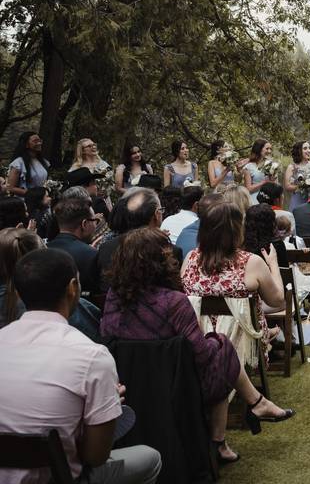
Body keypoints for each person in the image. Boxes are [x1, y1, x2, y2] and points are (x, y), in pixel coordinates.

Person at [101, 227, 293, 464]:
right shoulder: (173, 302)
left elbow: (108, 337)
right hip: (175, 386)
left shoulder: (114, 296)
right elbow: (201, 356)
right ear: (160, 263)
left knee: (220, 350)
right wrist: (215, 342)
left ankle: (254, 407)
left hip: (127, 382)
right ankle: (224, 437)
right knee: (222, 350)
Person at [0, 248, 162, 483]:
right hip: (61, 476)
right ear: (72, 288)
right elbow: (96, 456)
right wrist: (108, 407)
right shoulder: (92, 356)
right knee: (149, 458)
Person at [180, 201, 285, 353]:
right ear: (237, 230)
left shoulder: (190, 258)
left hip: (197, 343)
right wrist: (273, 264)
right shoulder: (251, 262)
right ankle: (269, 333)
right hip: (243, 346)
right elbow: (277, 300)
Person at [47, 196, 99, 292]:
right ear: (84, 224)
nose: (96, 225)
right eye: (95, 220)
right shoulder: (91, 255)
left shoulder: (43, 249)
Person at [5, 131, 49, 197]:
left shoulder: (43, 162)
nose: (39, 143)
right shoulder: (18, 163)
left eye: (40, 140)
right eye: (35, 141)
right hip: (26, 202)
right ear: (26, 144)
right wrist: (32, 194)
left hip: (42, 200)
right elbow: (10, 188)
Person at [283, 140, 310, 212]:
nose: (309, 150)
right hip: (297, 201)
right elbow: (287, 187)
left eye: (309, 148)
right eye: (305, 148)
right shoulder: (292, 167)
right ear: (298, 151)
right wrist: (302, 186)